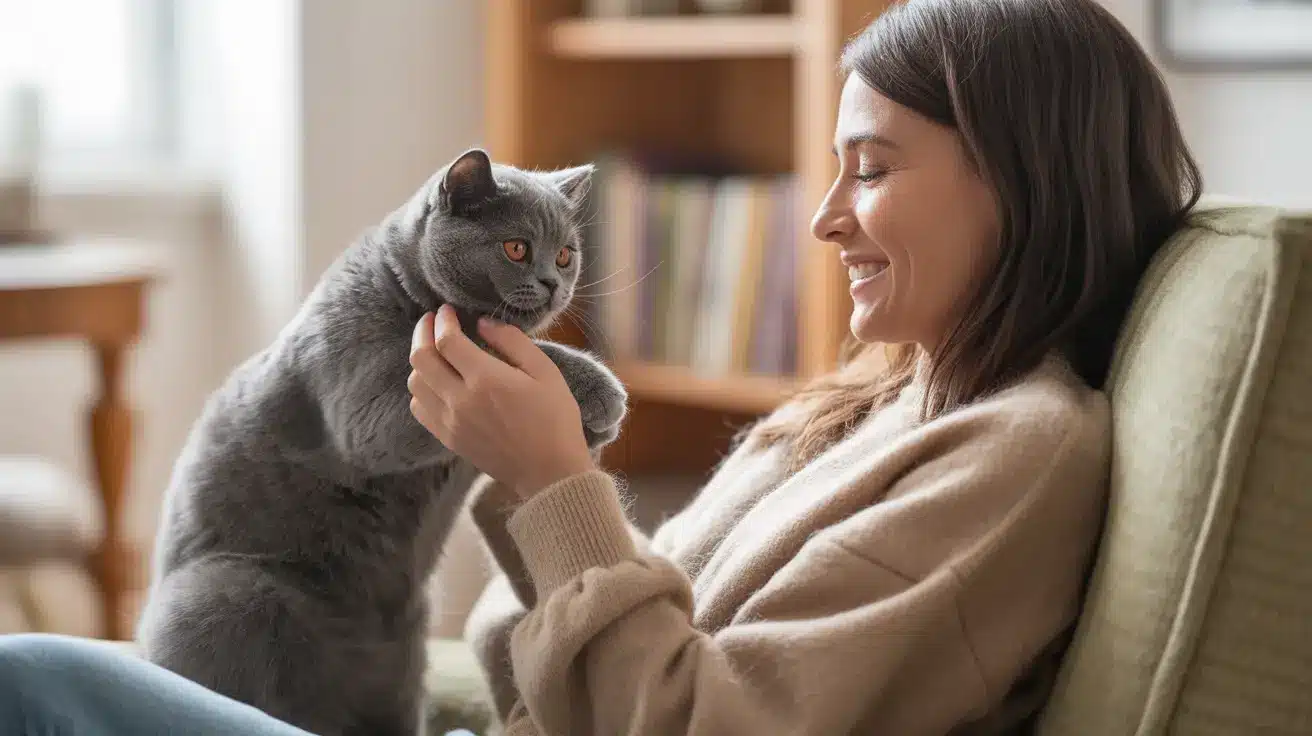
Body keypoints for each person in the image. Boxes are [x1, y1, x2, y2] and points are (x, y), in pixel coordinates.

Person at [0, 0, 1200, 733]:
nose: (823, 220)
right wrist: (534, 483)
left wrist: (548, 481)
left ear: (1026, 181)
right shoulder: (878, 404)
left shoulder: (1015, 451)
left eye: (871, 169)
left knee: (33, 682)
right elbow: (598, 642)